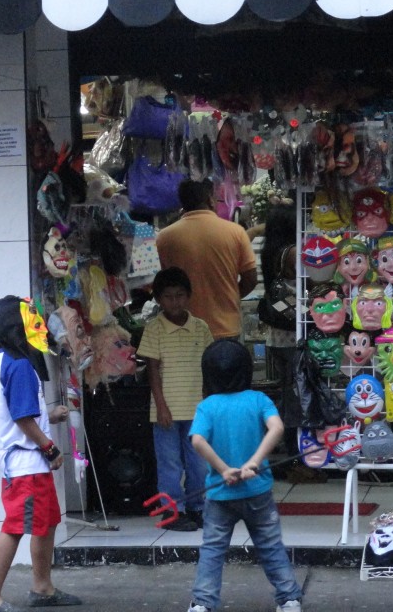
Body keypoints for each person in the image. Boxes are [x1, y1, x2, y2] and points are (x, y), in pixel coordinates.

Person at [0, 295, 81, 612]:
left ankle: (43, 587)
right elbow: (21, 418)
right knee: (15, 527)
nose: (38, 324)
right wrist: (49, 447)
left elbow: (18, 414)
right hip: (27, 464)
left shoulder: (2, 359)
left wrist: (49, 417)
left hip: (23, 461)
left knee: (46, 523)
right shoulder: (20, 365)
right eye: (31, 318)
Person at [186, 339, 304, 612]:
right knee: (271, 547)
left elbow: (197, 441)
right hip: (257, 491)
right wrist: (255, 461)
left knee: (213, 551)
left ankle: (202, 604)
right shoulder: (259, 400)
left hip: (219, 493)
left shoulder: (208, 406)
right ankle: (289, 599)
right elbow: (277, 428)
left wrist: (224, 469)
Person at [137, 267, 214, 532]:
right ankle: (172, 511)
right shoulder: (154, 328)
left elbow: (208, 368)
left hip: (197, 410)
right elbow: (153, 371)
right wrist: (161, 406)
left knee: (198, 464)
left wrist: (208, 405)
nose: (175, 301)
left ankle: (196, 508)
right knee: (170, 463)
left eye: (180, 295)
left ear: (189, 296)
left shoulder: (201, 328)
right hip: (166, 411)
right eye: (168, 297)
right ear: (159, 299)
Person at [259, 203, 322, 484]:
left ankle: (294, 454)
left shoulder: (270, 250)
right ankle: (297, 457)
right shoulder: (294, 251)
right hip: (293, 335)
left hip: (277, 334)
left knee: (289, 393)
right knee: (297, 397)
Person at [156, 179, 258, 341]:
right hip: (226, 327)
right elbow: (251, 279)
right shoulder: (235, 232)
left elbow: (159, 284)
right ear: (210, 199)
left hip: (182, 328)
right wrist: (230, 297)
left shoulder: (164, 238)